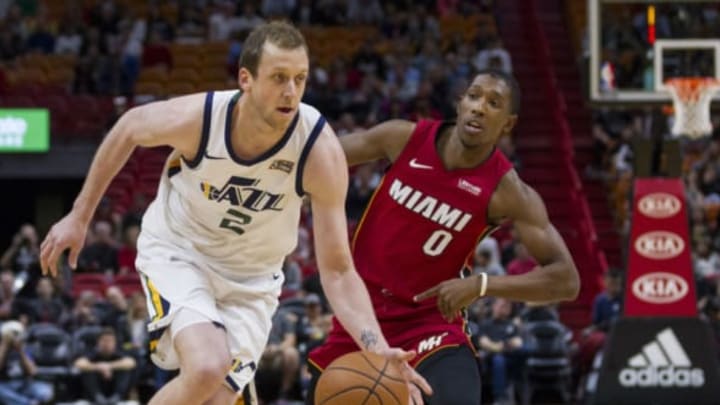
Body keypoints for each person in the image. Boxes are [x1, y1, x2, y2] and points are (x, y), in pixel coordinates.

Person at [40, 21, 430, 405]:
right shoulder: (201, 119)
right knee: (209, 367)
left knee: (218, 398)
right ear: (246, 79)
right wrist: (79, 215)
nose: (291, 91)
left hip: (253, 281)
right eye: (279, 77)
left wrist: (377, 348)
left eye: (300, 78)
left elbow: (339, 270)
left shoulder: (318, 151)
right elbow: (129, 127)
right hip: (182, 251)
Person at [308, 69, 580, 404]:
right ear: (460, 102)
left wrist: (481, 285)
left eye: (494, 103)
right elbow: (316, 158)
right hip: (361, 315)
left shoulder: (507, 192)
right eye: (475, 96)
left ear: (508, 124)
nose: (480, 107)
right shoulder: (402, 137)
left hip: (429, 324)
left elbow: (566, 280)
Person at [74, 327, 137, 405]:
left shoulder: (119, 354)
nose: (106, 343)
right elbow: (79, 363)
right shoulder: (91, 353)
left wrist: (108, 366)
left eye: (110, 341)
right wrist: (98, 367)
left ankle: (116, 396)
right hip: (93, 399)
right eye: (104, 340)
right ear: (98, 342)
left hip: (117, 400)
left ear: (115, 343)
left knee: (124, 369)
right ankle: (97, 396)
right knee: (87, 369)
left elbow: (131, 362)